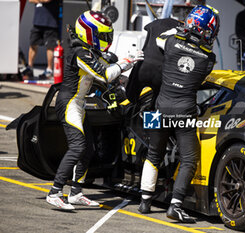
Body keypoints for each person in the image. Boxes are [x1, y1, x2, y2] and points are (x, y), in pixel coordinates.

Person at [46, 10, 144, 210]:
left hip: (79, 104)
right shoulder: (79, 53)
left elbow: (109, 67)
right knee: (77, 147)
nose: (106, 39)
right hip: (68, 104)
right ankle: (55, 192)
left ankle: (76, 192)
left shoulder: (88, 50)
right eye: (102, 35)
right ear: (89, 33)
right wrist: (128, 61)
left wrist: (124, 64)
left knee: (88, 148)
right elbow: (106, 74)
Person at [138, 5, 220, 223]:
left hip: (159, 107)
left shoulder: (170, 43)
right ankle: (175, 205)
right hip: (185, 113)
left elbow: (160, 38)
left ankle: (145, 201)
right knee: (189, 160)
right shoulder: (208, 59)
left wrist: (181, 30)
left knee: (153, 153)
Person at [23, 0, 60, 80]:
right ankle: (30, 67)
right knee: (33, 43)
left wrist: (38, 1)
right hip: (37, 22)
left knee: (50, 46)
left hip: (51, 23)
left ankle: (49, 69)